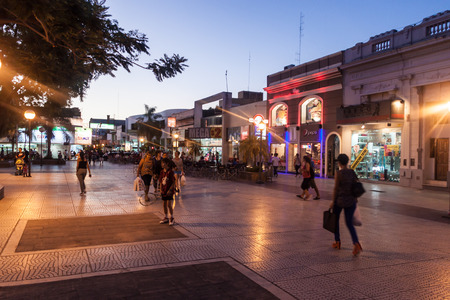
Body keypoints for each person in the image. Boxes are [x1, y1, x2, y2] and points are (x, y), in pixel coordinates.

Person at [330, 153, 362, 256]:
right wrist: (355, 199)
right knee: (349, 223)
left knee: (335, 220)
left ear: (339, 163)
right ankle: (356, 243)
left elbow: (335, 188)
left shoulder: (339, 174)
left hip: (339, 200)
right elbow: (356, 186)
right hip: (351, 201)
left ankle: (337, 241)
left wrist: (332, 201)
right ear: (347, 162)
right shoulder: (352, 172)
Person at [159, 158, 176, 226]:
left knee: (169, 204)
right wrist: (160, 189)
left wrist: (171, 189)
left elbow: (173, 182)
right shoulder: (162, 172)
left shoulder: (171, 172)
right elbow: (160, 181)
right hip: (164, 190)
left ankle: (171, 217)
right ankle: (165, 217)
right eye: (162, 163)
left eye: (163, 163)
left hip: (169, 191)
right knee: (164, 204)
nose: (162, 164)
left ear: (167, 164)